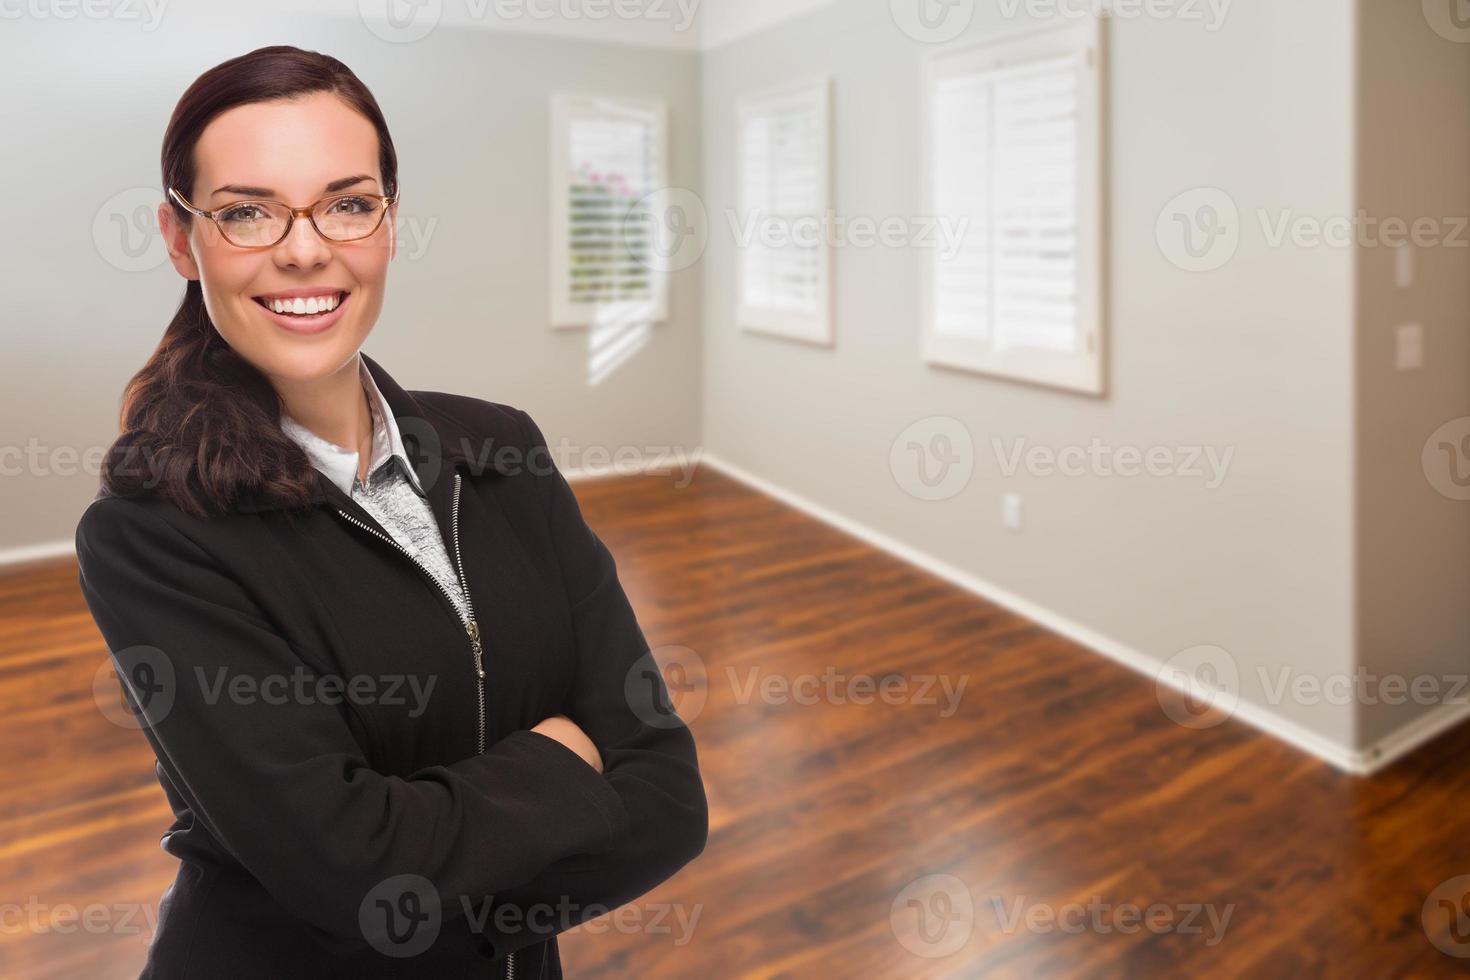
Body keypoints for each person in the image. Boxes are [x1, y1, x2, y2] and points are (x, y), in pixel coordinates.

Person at [74, 44, 708, 979]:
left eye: (347, 202)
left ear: (389, 220)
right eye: (246, 211)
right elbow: (352, 875)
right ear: (180, 239)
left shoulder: (504, 449)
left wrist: (439, 898)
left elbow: (667, 794)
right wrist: (569, 760)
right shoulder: (150, 535)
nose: (304, 248)